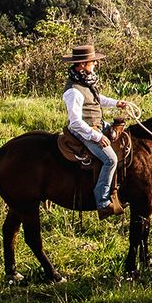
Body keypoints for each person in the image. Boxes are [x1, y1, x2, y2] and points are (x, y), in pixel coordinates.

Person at [62, 43, 128, 218]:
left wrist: (116, 103)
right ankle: (103, 200)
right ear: (82, 64)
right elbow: (75, 122)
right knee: (110, 159)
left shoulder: (86, 80)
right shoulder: (74, 91)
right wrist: (96, 136)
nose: (95, 64)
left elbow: (97, 99)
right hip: (84, 131)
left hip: (97, 123)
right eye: (92, 61)